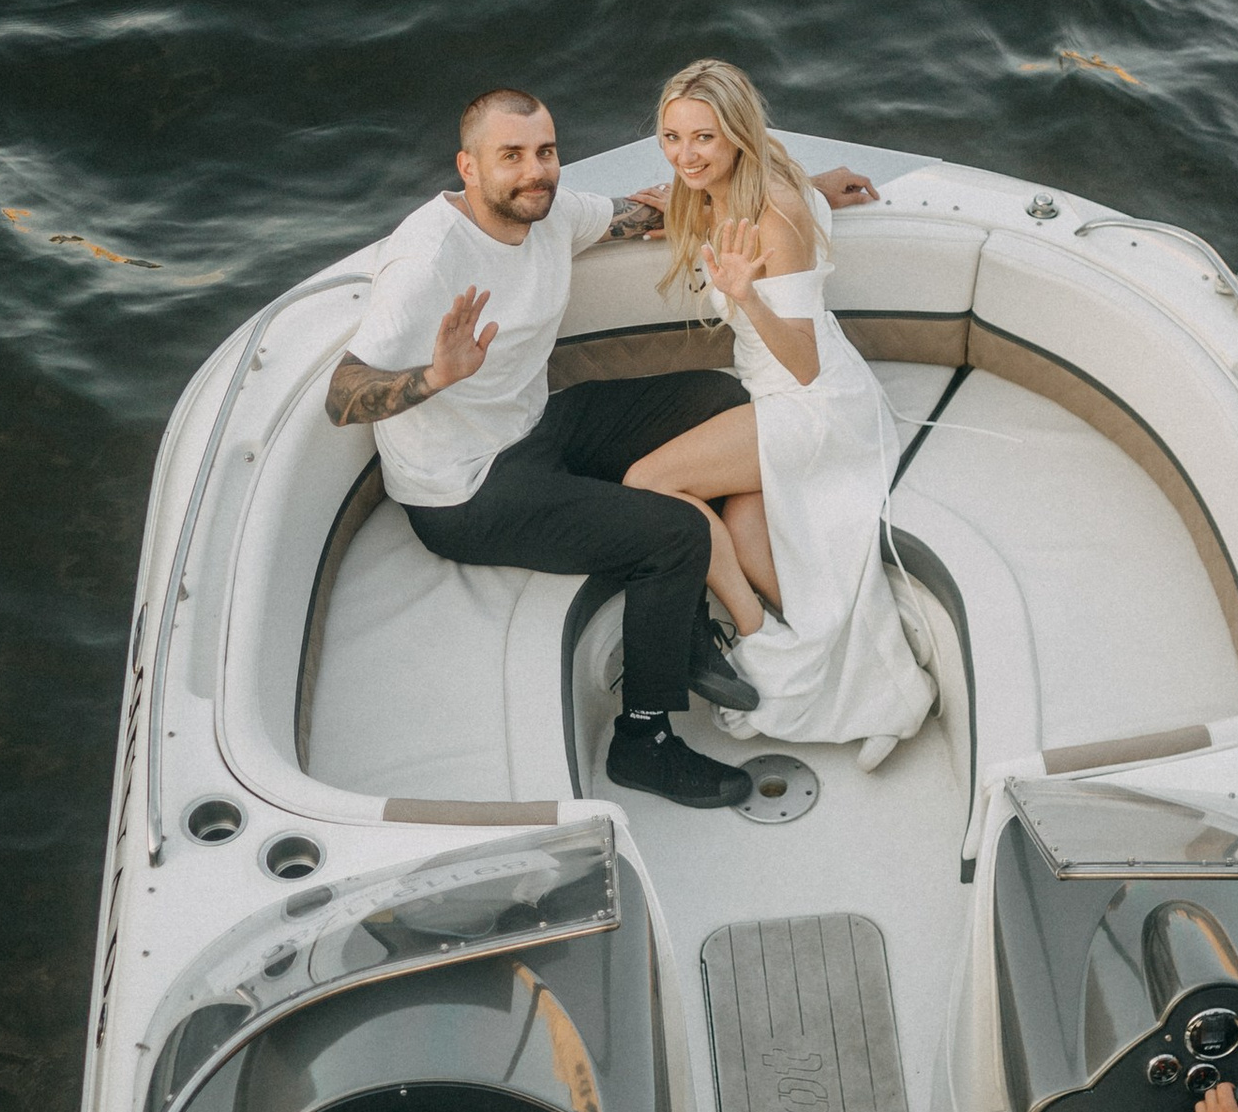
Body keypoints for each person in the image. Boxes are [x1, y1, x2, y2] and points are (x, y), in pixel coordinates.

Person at [326, 87, 879, 809]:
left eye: (546, 153)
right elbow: (342, 394)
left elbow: (657, 208)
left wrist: (802, 192)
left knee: (714, 399)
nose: (535, 171)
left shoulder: (549, 212)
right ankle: (643, 742)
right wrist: (435, 377)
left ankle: (689, 611)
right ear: (467, 166)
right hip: (466, 491)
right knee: (673, 537)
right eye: (511, 156)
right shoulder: (429, 255)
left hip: (538, 430)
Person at [619, 60, 935, 769]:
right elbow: (789, 188)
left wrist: (748, 293)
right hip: (778, 391)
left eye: (704, 138)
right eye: (672, 137)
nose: (686, 155)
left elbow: (805, 362)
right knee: (747, 533)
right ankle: (879, 683)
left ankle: (760, 643)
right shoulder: (751, 180)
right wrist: (818, 188)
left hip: (813, 400)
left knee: (649, 484)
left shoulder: (773, 212)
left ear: (737, 134)